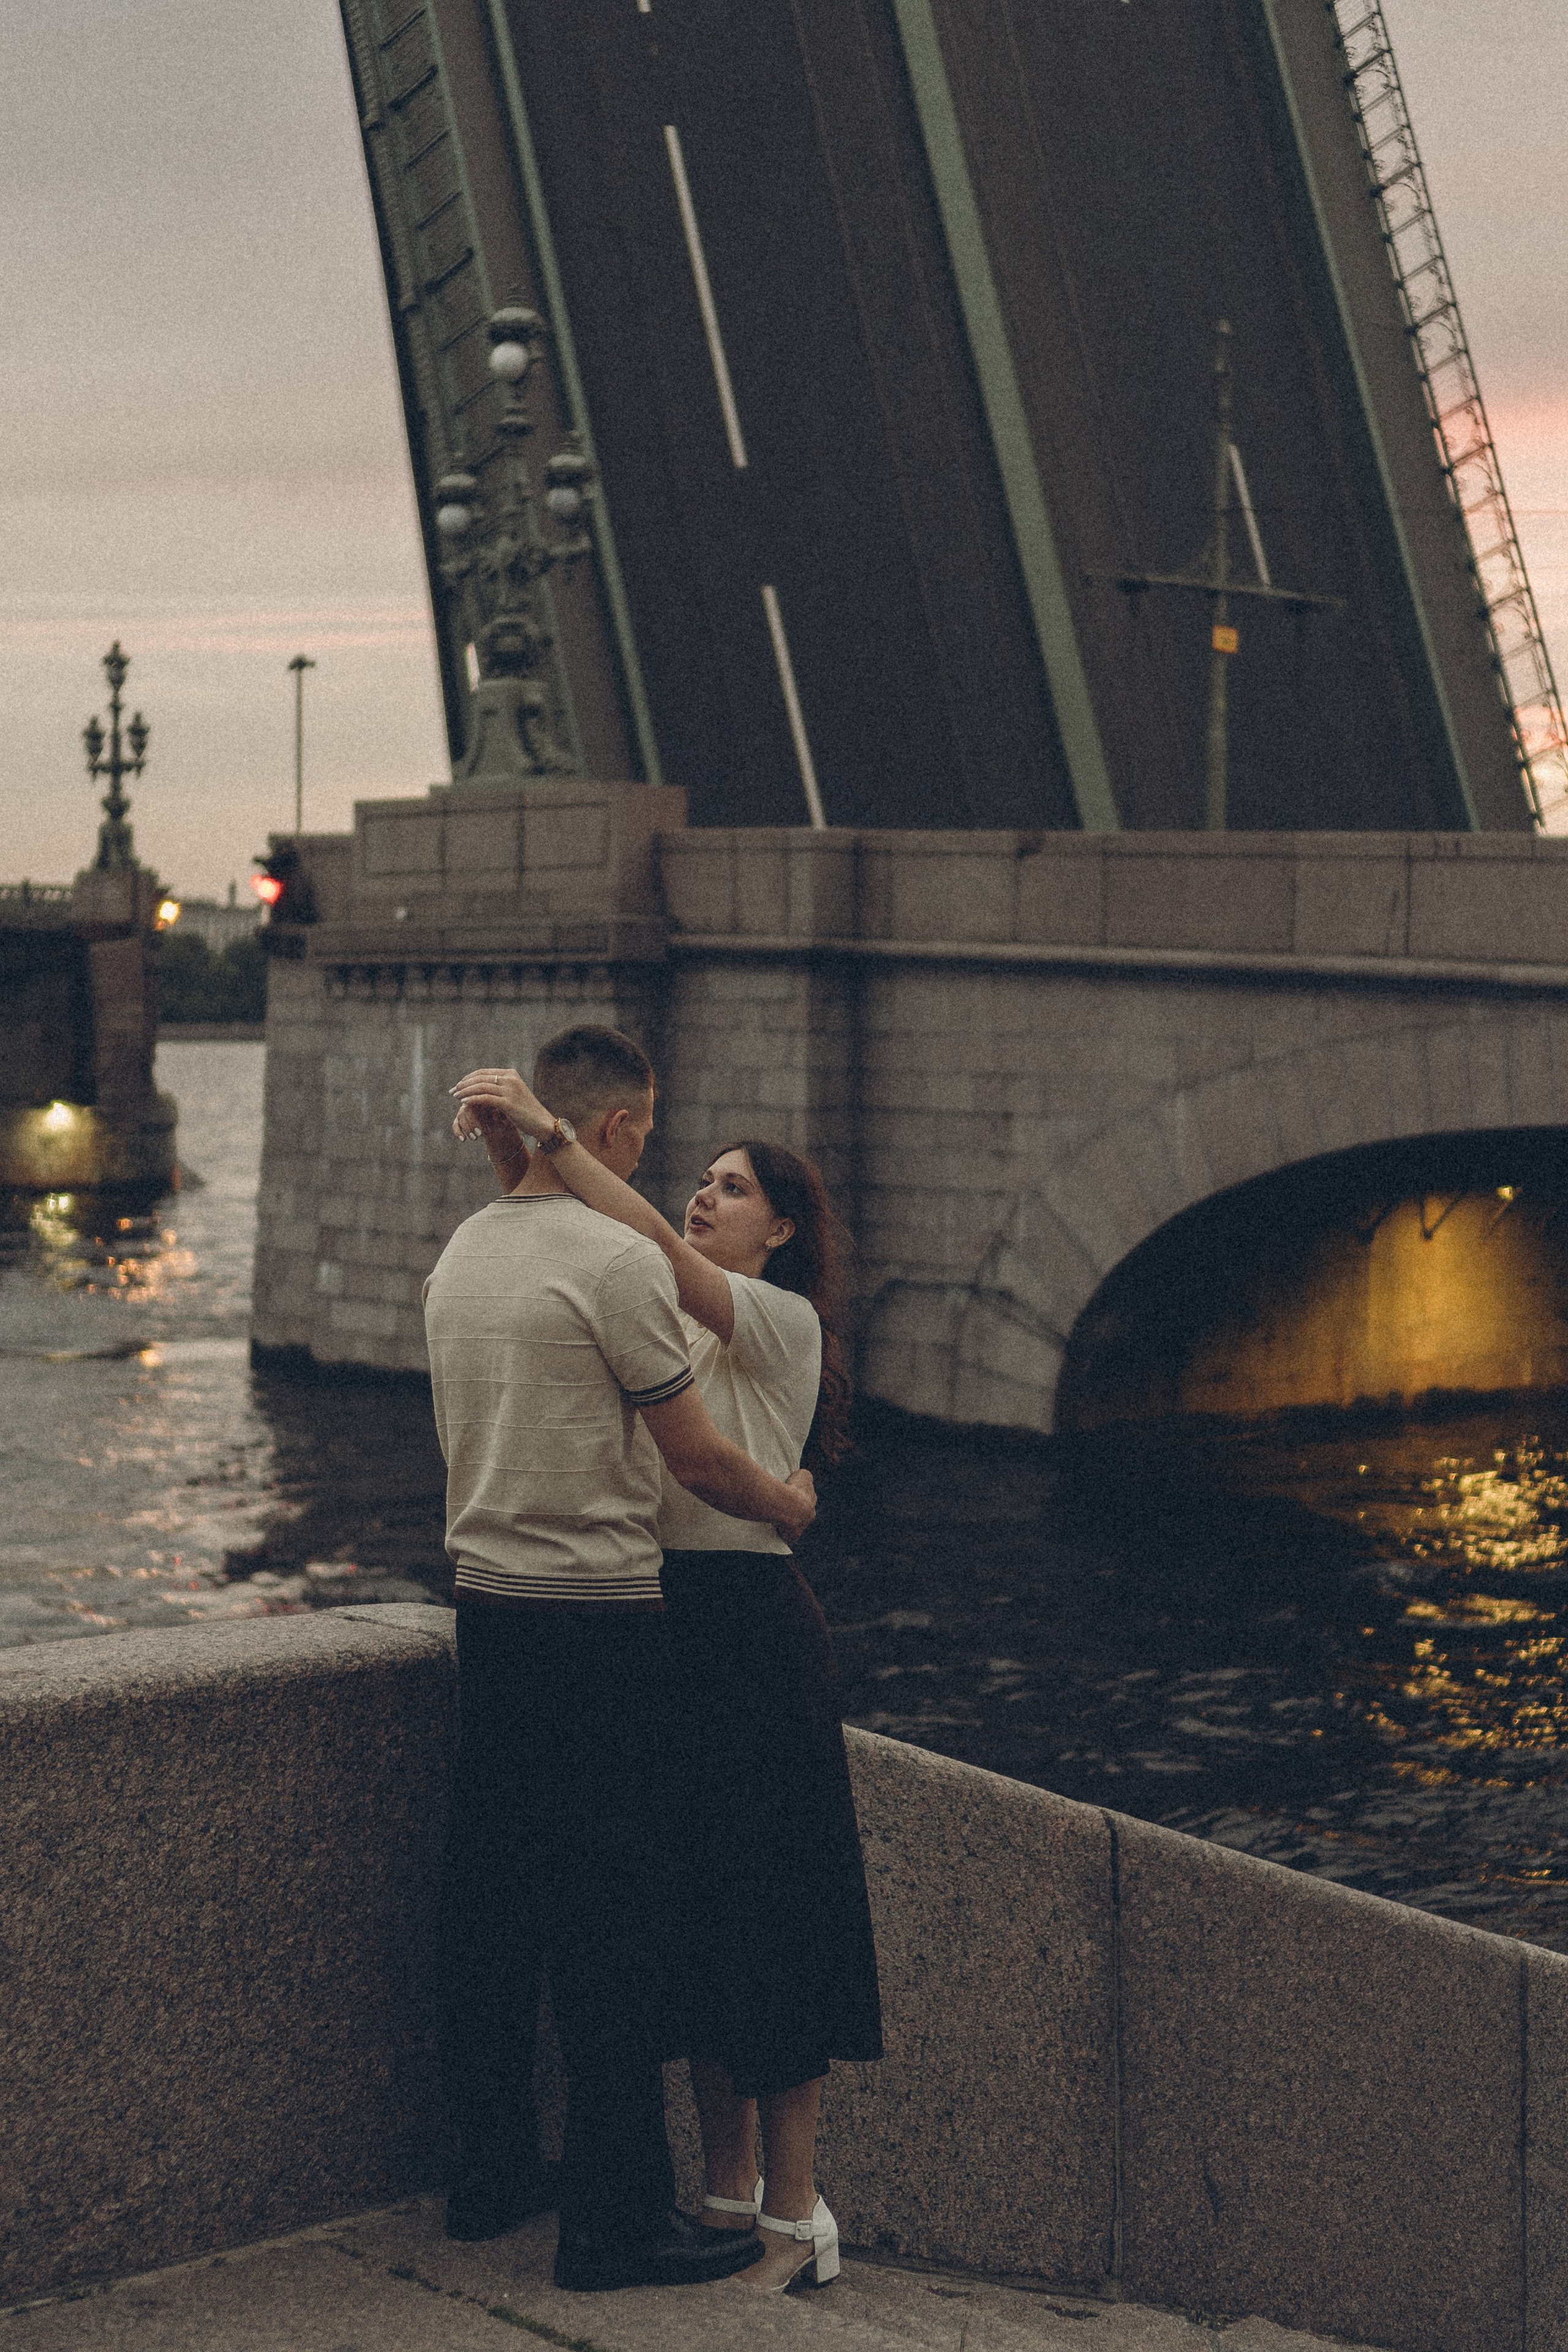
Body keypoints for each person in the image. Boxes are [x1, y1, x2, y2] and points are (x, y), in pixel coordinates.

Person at [450, 1060, 883, 2296]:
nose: (700, 1197)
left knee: (779, 1915)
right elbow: (574, 1235)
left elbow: (629, 1229)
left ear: (781, 1230)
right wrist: (513, 1154)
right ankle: (722, 2192)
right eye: (696, 1179)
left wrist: (548, 1128)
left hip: (749, 1625)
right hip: (656, 1623)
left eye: (733, 1188)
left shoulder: (776, 1317)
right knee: (686, 1920)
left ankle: (796, 2219)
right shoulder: (661, 1305)